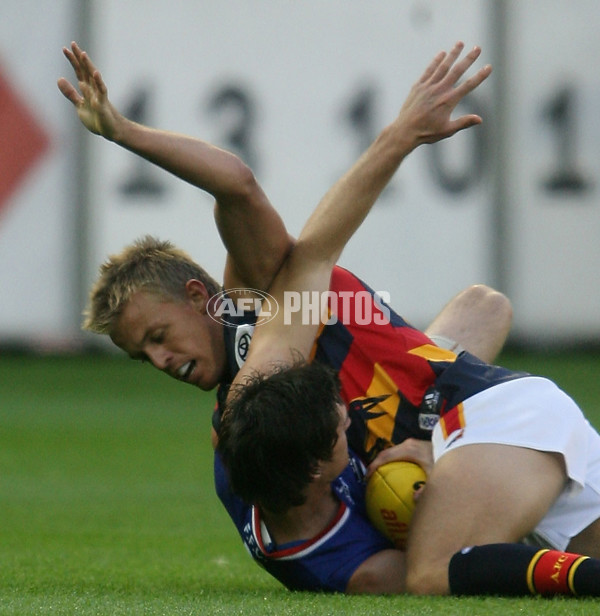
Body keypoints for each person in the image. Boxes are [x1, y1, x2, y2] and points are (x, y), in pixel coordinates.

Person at [216, 43, 600, 597]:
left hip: (499, 419)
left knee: (432, 573)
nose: (349, 420)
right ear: (315, 470)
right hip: (514, 433)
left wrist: (402, 135)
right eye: (342, 428)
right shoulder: (263, 450)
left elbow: (302, 238)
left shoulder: (267, 372)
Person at [57, 41, 512, 463]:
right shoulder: (240, 421)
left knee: (484, 304)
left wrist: (123, 132)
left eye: (157, 336)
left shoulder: (258, 290)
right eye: (143, 356)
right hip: (440, 446)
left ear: (198, 297)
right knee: (483, 308)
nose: (161, 362)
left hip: (460, 426)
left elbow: (236, 185)